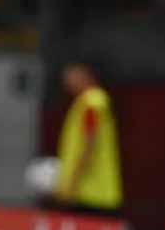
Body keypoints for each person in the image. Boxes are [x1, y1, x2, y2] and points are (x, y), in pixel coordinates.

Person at [51, 63, 123, 215]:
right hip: (88, 191)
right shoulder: (87, 102)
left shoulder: (92, 103)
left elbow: (89, 143)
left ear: (84, 75)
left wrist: (71, 184)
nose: (66, 83)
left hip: (91, 192)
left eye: (69, 77)